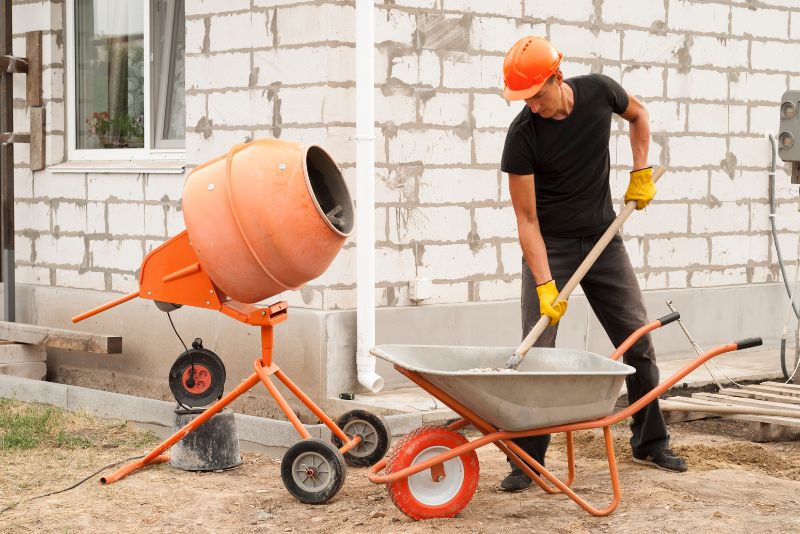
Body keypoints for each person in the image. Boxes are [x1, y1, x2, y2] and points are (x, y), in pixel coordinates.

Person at [499, 36, 687, 492]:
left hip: (604, 241)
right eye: (523, 99)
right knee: (539, 353)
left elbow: (639, 115)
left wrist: (639, 172)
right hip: (552, 248)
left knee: (636, 340)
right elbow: (526, 221)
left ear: (557, 77)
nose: (532, 106)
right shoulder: (522, 136)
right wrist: (544, 283)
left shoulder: (600, 92)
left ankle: (650, 441)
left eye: (536, 95)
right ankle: (528, 460)